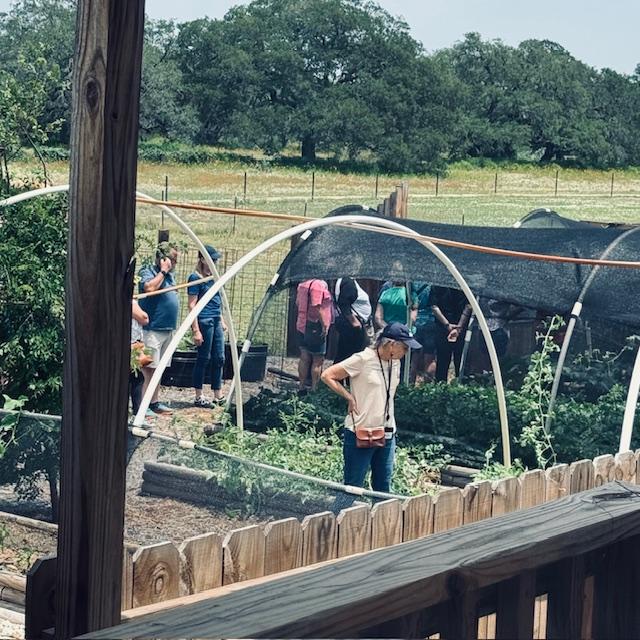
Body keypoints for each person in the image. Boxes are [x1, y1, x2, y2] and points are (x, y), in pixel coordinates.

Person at [321, 322, 421, 492]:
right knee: (353, 488)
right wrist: (349, 397)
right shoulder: (362, 359)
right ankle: (340, 517)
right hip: (361, 431)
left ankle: (380, 519)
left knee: (383, 489)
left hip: (388, 432)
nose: (405, 353)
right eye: (404, 348)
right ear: (391, 344)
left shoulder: (395, 363)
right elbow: (327, 375)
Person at [138, 241, 179, 415]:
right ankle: (143, 405)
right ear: (163, 259)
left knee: (159, 368)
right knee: (148, 368)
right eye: (173, 259)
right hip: (152, 329)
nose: (175, 263)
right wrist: (163, 271)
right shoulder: (148, 271)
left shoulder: (169, 276)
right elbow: (149, 288)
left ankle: (154, 402)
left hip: (167, 329)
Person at [188, 245, 227, 407]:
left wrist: (222, 320)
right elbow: (192, 305)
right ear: (203, 259)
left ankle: (217, 394)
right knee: (204, 358)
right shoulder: (195, 277)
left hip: (216, 319)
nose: (215, 262)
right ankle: (198, 396)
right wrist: (196, 330)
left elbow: (217, 300)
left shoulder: (214, 277)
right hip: (204, 320)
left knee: (219, 357)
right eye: (213, 259)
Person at [296, 279, 333, 391]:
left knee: (304, 357)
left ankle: (301, 387)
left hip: (301, 324)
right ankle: (314, 389)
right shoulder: (318, 285)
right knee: (318, 360)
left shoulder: (302, 284)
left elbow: (297, 303)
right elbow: (317, 306)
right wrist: (324, 325)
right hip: (315, 326)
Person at [429, 285, 471, 383]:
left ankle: (441, 388)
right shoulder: (464, 283)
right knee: (461, 361)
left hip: (443, 328)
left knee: (443, 361)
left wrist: (447, 325)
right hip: (460, 328)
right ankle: (461, 387)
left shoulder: (438, 283)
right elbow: (469, 305)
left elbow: (434, 306)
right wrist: (459, 327)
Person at [333, 277, 372, 362]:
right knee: (351, 357)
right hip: (352, 325)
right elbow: (343, 303)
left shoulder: (347, 280)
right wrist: (354, 322)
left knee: (345, 355)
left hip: (350, 323)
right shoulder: (348, 282)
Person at [410, 282, 437, 384]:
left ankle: (409, 385)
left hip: (415, 322)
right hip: (431, 321)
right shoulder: (432, 285)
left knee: (413, 358)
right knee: (430, 357)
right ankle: (428, 387)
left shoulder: (411, 284)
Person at [130, 299, 149, 415]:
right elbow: (144, 318)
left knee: (136, 377)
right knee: (137, 378)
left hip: (133, 342)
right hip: (131, 343)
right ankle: (137, 413)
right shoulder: (130, 302)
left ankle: (136, 412)